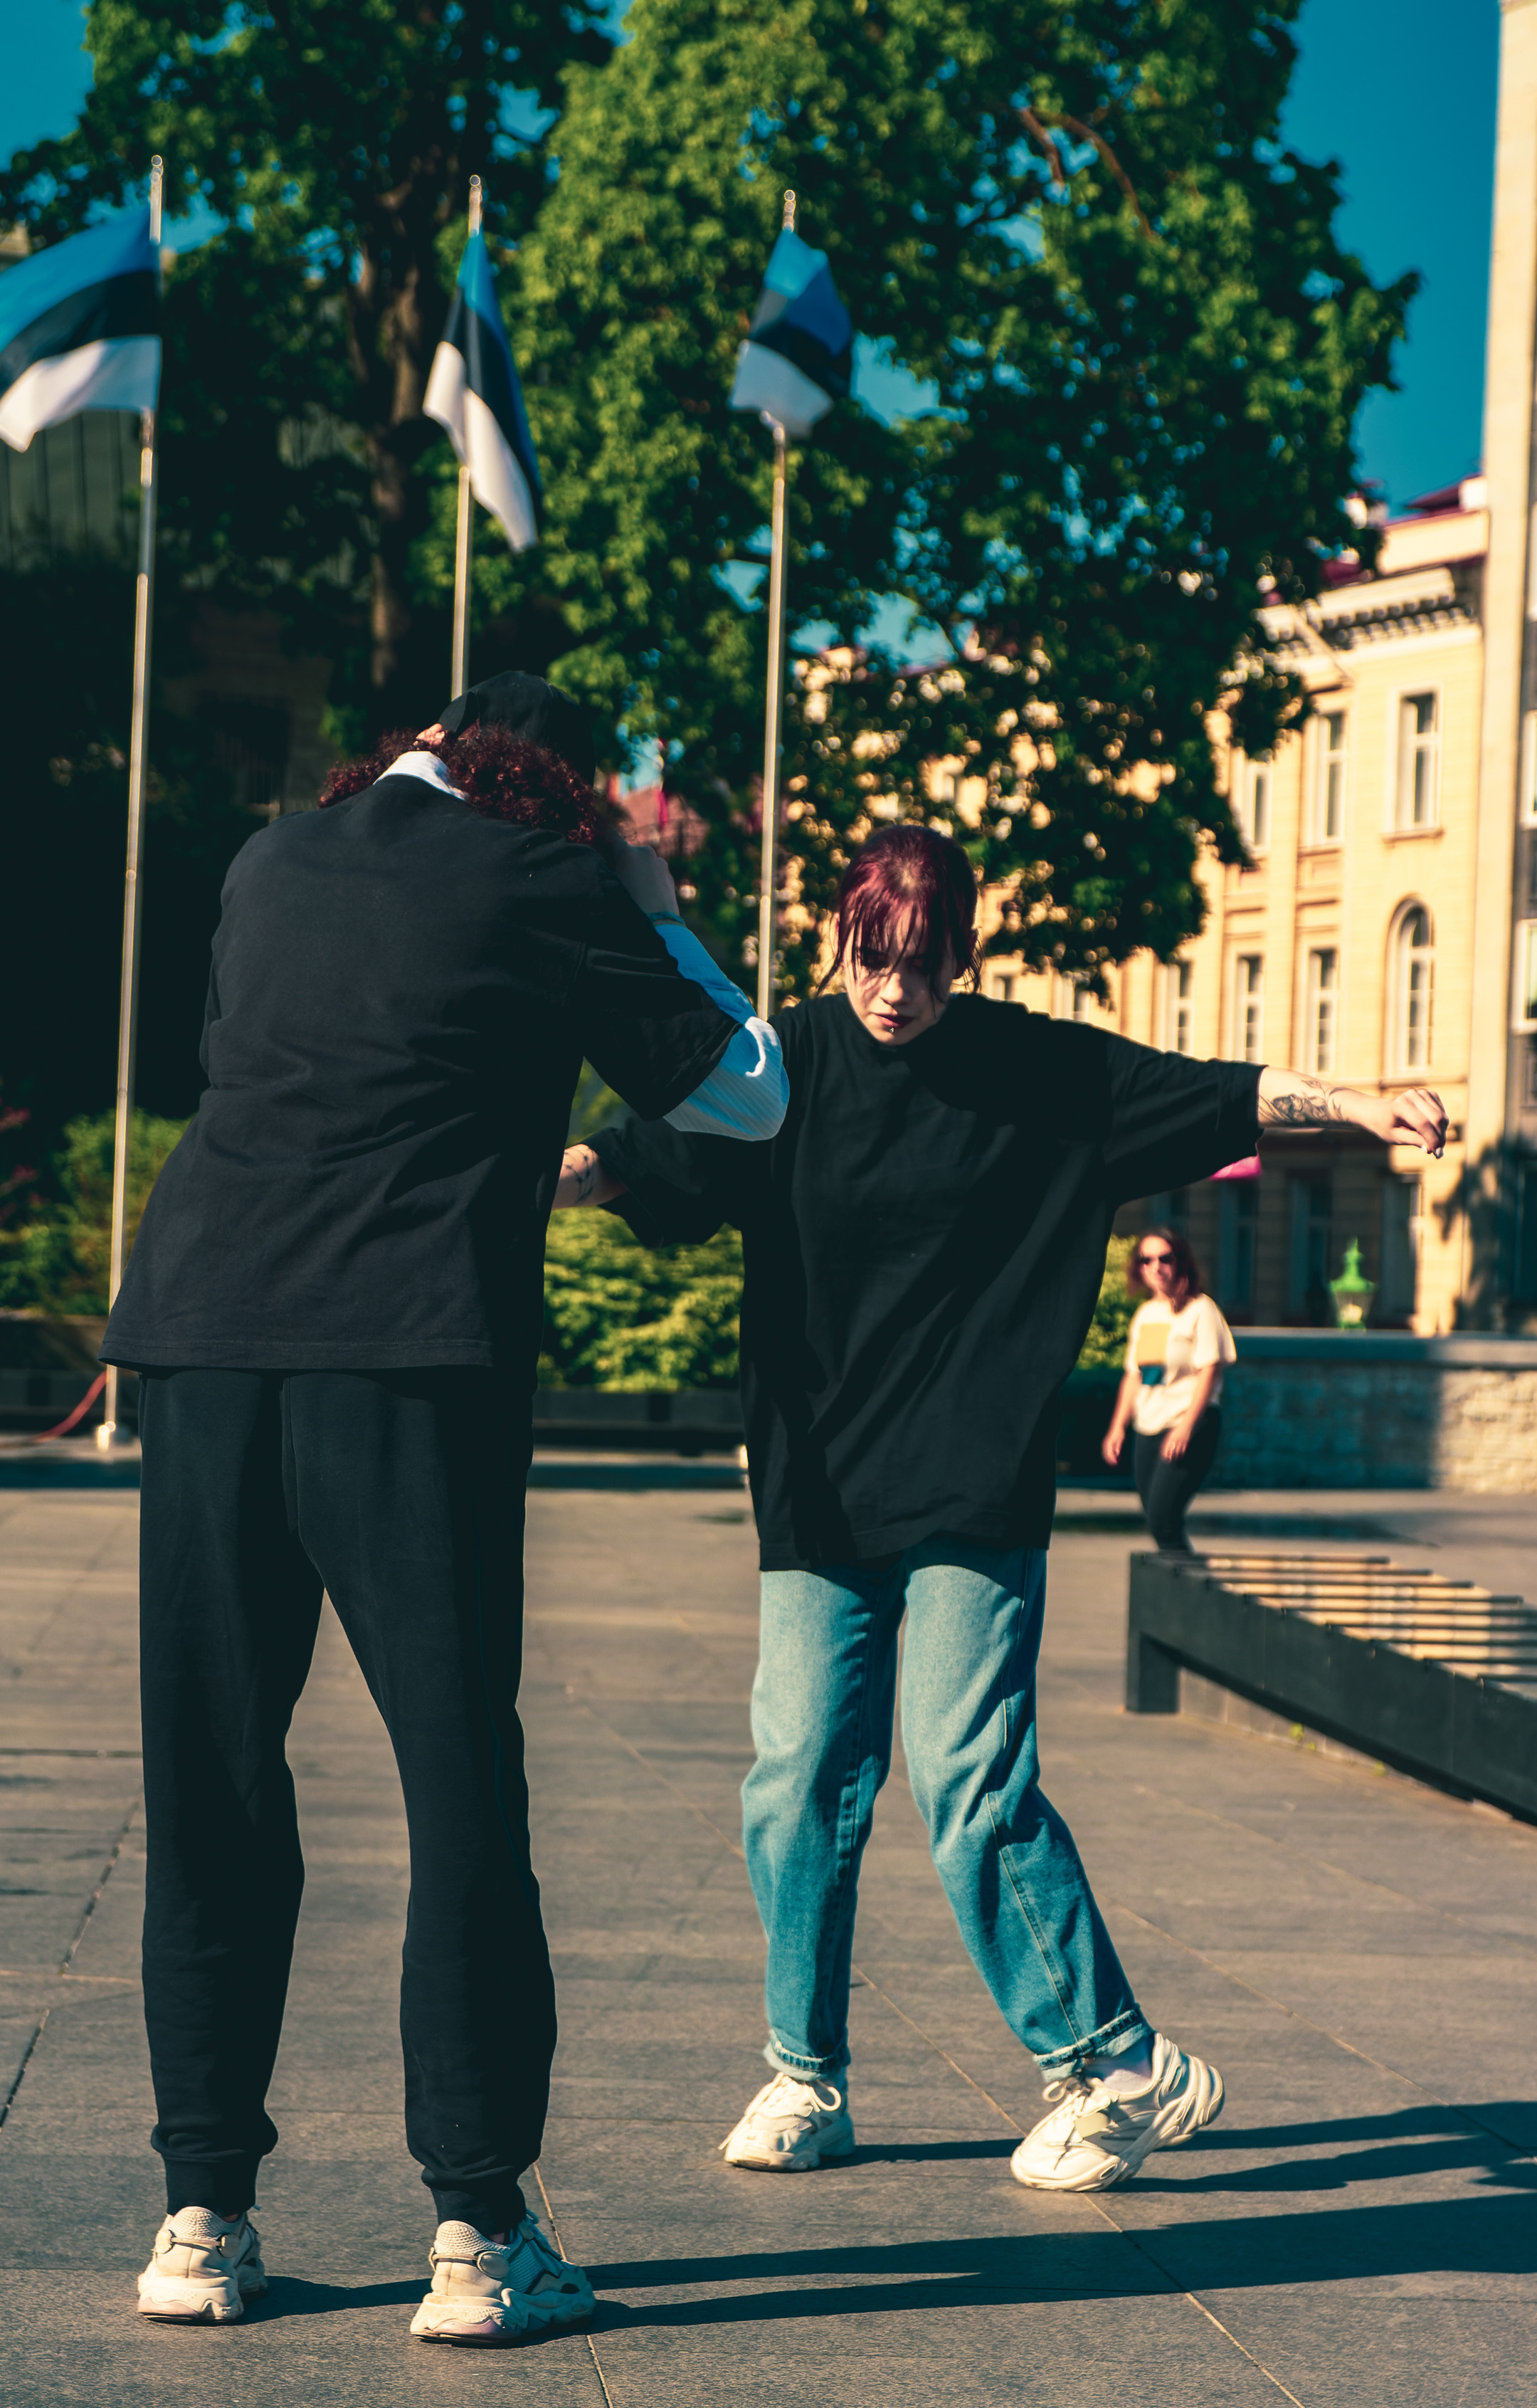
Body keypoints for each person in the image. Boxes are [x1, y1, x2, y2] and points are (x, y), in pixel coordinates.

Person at [554, 822, 1447, 2195]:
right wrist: (523, 1180)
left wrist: (1356, 1103)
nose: (894, 990)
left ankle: (1114, 2060)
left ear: (964, 955)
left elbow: (1218, 1091)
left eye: (922, 963)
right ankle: (805, 2072)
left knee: (967, 1777)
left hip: (973, 1479)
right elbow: (640, 1157)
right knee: (794, 1782)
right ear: (837, 940)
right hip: (819, 1483)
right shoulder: (782, 1070)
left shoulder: (1040, 1069)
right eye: (872, 958)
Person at [103, 672, 787, 2342]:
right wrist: (657, 894)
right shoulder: (546, 875)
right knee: (458, 1791)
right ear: (554, 787)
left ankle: (202, 2219)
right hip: (405, 1361)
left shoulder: (272, 859)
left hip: (198, 1342)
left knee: (210, 1779)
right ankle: (480, 2236)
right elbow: (749, 1090)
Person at [1102, 1228, 1235, 1551]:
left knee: (1163, 1516)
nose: (1156, 1267)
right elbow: (1133, 1376)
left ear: (1181, 1261)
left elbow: (1210, 1371)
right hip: (1148, 1424)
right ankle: (1190, 1588)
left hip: (1187, 1422)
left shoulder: (1201, 1310)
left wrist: (1186, 1428)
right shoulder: (1146, 1313)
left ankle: (1194, 1591)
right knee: (1157, 1520)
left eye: (1165, 1258)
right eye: (1146, 1260)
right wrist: (1118, 1427)